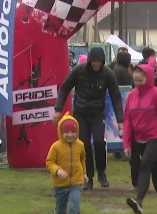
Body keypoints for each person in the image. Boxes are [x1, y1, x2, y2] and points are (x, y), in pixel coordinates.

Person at [53, 47, 124, 190]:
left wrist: (120, 120)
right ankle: (88, 177)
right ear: (90, 61)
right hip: (81, 113)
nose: (96, 64)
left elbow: (116, 96)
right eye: (94, 61)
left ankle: (102, 173)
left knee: (99, 142)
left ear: (103, 62)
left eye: (99, 62)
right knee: (84, 144)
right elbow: (65, 88)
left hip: (97, 113)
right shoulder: (79, 71)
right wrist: (58, 109)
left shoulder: (108, 74)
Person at [123, 64, 157, 214]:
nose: (137, 84)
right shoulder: (131, 96)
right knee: (154, 169)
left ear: (148, 78)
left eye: (140, 80)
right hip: (139, 139)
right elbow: (128, 121)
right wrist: (126, 144)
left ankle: (138, 201)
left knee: (145, 163)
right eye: (135, 81)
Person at [46, 113, 87, 214]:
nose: (70, 135)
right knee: (61, 210)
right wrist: (57, 170)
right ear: (61, 132)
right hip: (60, 185)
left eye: (73, 132)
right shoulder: (55, 147)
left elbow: (82, 160)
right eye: (66, 132)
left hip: (76, 183)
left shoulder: (80, 145)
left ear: (77, 131)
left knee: (74, 207)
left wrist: (84, 174)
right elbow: (49, 162)